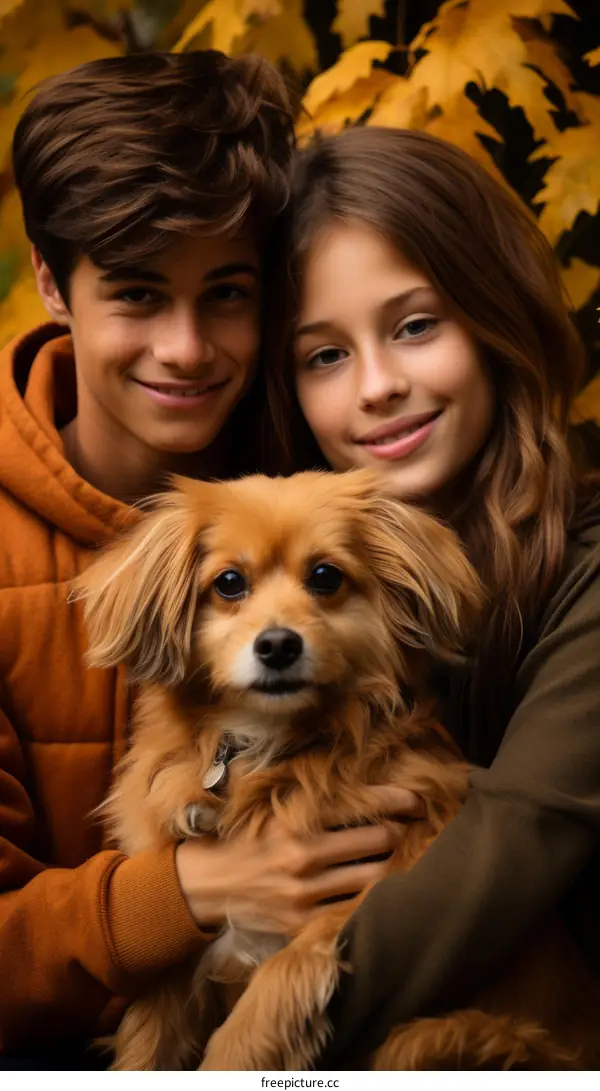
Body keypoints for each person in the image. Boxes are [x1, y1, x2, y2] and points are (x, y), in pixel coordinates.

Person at [0, 55, 419, 1066]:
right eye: (138, 294)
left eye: (224, 294)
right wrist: (189, 887)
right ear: (54, 284)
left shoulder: (329, 477)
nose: (186, 349)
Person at [267, 125, 600, 1066]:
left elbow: (518, 838)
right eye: (324, 356)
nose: (379, 386)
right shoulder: (294, 595)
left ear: (493, 319)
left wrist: (241, 1024)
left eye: (415, 325)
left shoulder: (585, 574)